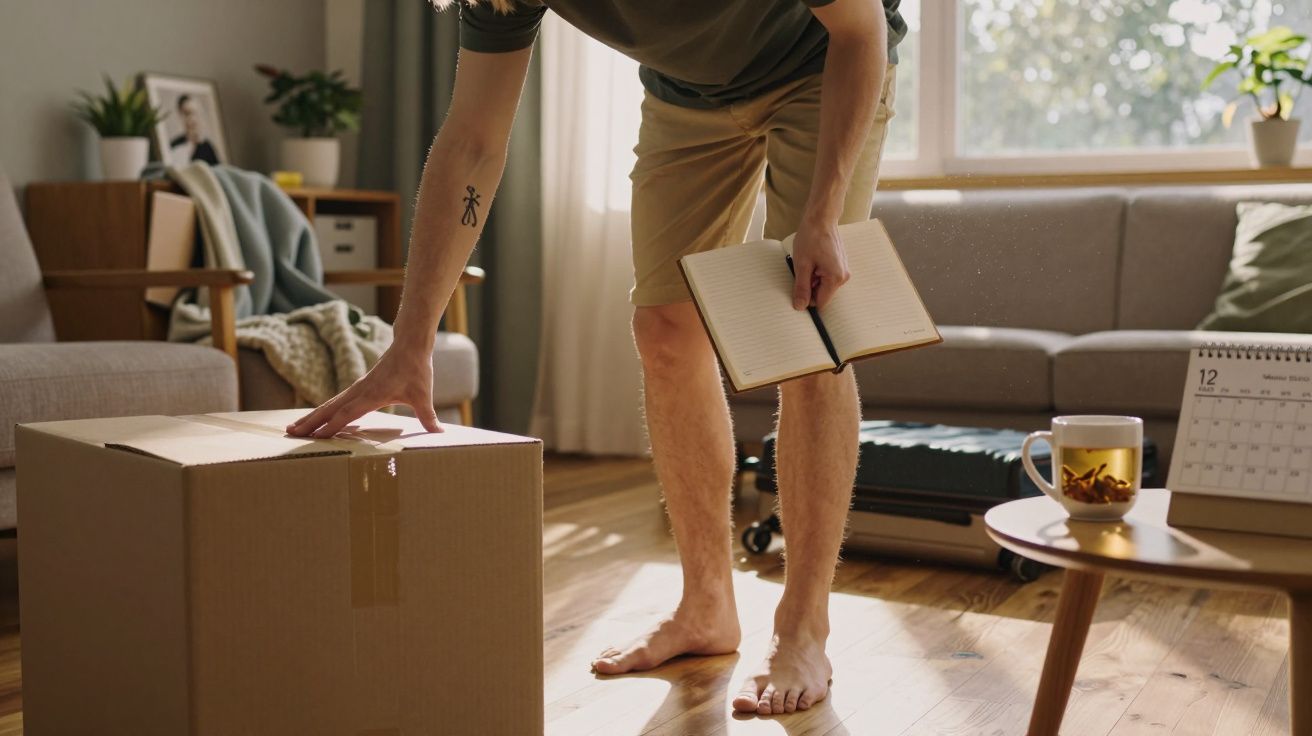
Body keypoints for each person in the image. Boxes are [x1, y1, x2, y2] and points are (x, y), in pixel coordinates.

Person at [288, 0, 905, 717]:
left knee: (804, 328)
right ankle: (706, 604)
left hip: (820, 62)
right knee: (664, 331)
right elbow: (473, 142)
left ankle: (804, 625)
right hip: (688, 95)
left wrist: (821, 217)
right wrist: (412, 340)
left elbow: (859, 29)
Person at [168, 94, 220, 167]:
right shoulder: (174, 145)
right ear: (180, 116)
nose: (193, 119)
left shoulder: (207, 147)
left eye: (196, 113)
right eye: (187, 114)